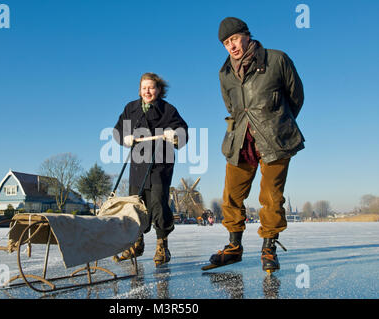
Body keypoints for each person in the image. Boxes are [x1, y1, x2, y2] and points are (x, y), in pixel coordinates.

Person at [209, 17, 304, 273]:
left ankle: (268, 249)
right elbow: (232, 107)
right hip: (241, 141)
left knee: (271, 197)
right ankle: (233, 247)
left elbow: (296, 97)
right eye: (226, 43)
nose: (232, 46)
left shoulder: (276, 60)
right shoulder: (225, 73)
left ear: (247, 35)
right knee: (231, 196)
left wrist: (278, 122)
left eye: (235, 39)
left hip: (275, 138)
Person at [113, 72, 188, 267]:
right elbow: (118, 130)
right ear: (139, 90)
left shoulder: (168, 110)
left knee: (158, 205)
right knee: (136, 204)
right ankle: (136, 244)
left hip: (160, 164)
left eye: (151, 87)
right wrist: (125, 138)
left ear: (159, 90)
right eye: (144, 87)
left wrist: (175, 135)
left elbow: (183, 131)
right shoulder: (131, 108)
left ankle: (162, 246)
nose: (148, 91)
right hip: (138, 165)